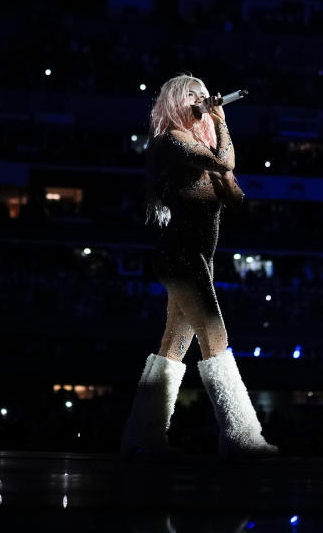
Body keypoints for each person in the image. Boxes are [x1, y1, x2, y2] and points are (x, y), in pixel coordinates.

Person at [119, 74, 278, 459]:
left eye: (204, 95)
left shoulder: (199, 145)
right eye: (192, 95)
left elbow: (236, 195)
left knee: (172, 347)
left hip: (197, 256)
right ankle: (240, 437)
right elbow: (225, 161)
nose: (201, 99)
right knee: (215, 336)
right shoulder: (172, 140)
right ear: (175, 101)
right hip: (181, 254)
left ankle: (142, 437)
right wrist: (221, 124)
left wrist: (222, 163)